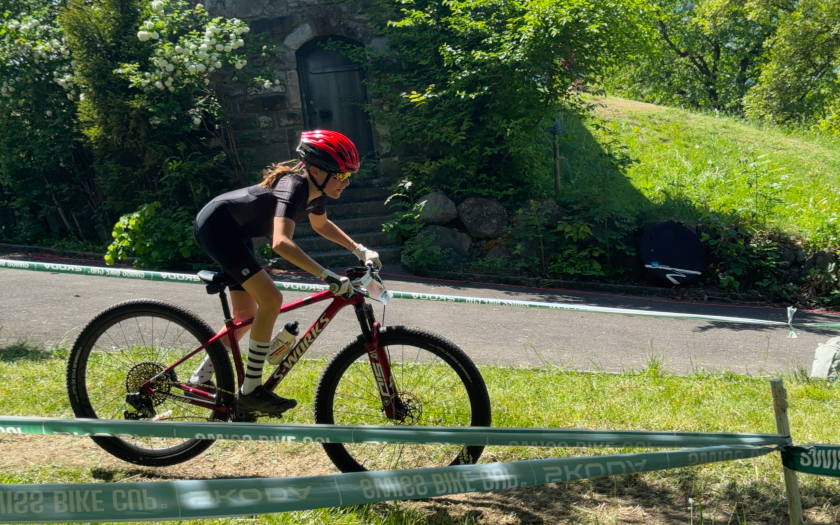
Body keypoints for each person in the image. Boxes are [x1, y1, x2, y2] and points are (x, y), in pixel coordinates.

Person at [191, 130, 382, 418]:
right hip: (216, 228)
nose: (346, 182)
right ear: (315, 171)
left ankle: (199, 379)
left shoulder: (316, 191)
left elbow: (321, 225)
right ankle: (251, 390)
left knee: (245, 317)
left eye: (349, 176)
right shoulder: (294, 186)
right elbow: (280, 243)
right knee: (271, 299)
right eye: (341, 175)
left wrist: (359, 249)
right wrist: (327, 276)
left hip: (236, 233)